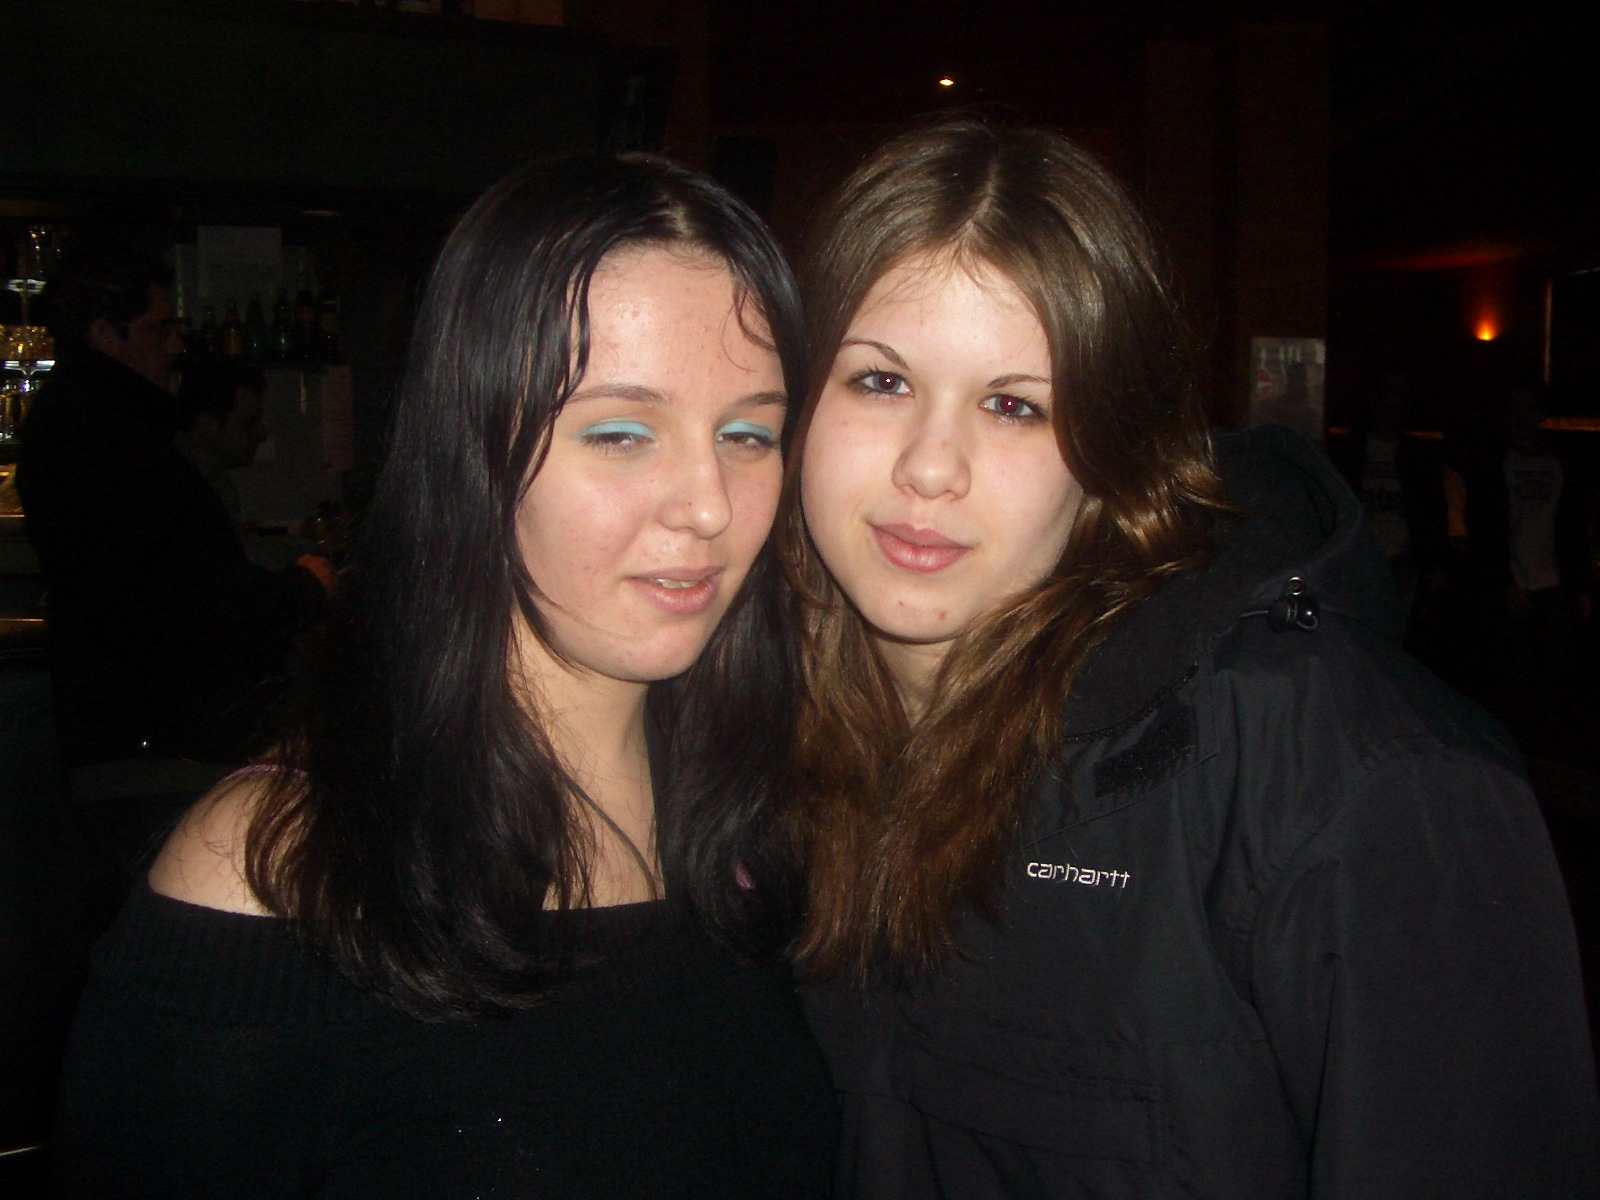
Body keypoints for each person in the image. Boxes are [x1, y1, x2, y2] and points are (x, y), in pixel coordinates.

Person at [782, 118, 1599, 1198]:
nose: (931, 467)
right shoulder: (759, 738)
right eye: (880, 383)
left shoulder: (1353, 785)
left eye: (1015, 406)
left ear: (1116, 454)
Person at [52, 154, 837, 1198]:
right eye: (619, 432)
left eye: (747, 432)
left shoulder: (767, 826)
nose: (708, 503)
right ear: (470, 447)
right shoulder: (276, 875)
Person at [16, 241, 331, 879]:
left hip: (129, 742)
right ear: (107, 334)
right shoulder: (115, 442)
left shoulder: (87, 428)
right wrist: (303, 587)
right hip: (159, 749)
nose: (176, 346)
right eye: (160, 329)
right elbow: (192, 602)